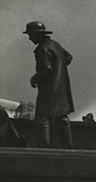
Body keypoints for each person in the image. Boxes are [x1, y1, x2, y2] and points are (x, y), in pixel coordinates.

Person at [25, 21, 74, 149]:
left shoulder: (42, 49)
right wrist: (58, 67)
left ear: (37, 35)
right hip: (60, 90)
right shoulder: (55, 45)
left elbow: (47, 70)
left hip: (48, 91)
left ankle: (43, 150)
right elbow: (68, 58)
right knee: (61, 117)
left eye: (30, 35)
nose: (30, 38)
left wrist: (34, 78)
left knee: (42, 118)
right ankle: (68, 148)